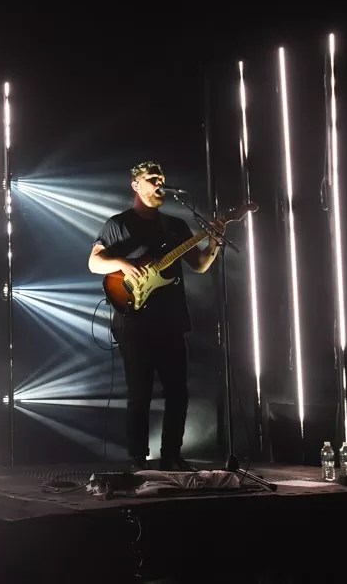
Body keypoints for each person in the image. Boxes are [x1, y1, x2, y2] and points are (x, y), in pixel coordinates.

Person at [88, 160, 221, 472]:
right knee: (140, 393)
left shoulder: (175, 226)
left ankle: (172, 456)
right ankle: (138, 460)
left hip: (171, 320)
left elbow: (200, 265)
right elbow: (94, 263)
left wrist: (214, 239)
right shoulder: (118, 224)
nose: (160, 183)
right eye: (152, 178)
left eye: (162, 178)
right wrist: (122, 264)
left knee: (178, 392)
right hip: (133, 320)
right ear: (136, 185)